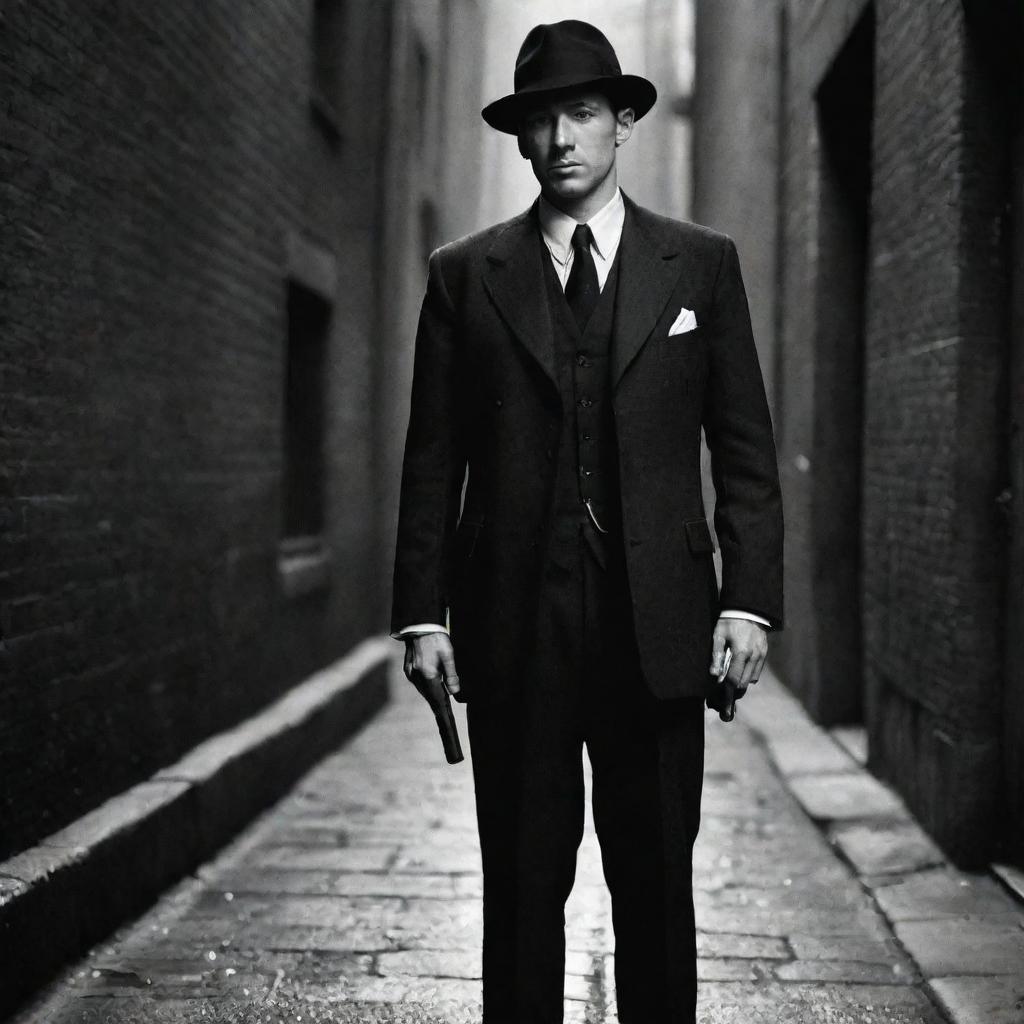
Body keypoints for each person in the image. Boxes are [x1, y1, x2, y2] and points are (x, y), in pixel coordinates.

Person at [391, 20, 783, 1024]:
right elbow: (433, 454)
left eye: (580, 113)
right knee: (522, 887)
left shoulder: (699, 267)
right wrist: (421, 613)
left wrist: (748, 601)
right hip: (516, 627)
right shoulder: (464, 274)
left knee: (656, 884)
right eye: (540, 120)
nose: (561, 137)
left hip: (656, 627)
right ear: (521, 141)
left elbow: (741, 448)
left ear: (623, 123)